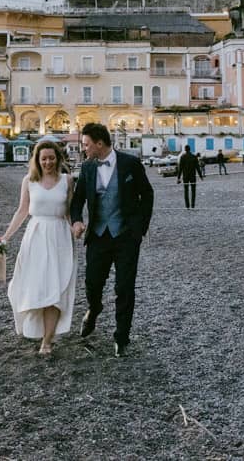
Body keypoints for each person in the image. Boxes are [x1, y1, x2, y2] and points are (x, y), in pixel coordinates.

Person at [69, 122, 154, 357]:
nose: (84, 149)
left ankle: (122, 337)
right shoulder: (87, 168)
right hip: (97, 235)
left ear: (99, 143)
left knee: (124, 287)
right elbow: (76, 202)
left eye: (86, 144)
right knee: (92, 283)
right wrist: (76, 221)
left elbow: (147, 194)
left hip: (126, 236)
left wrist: (139, 229)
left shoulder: (130, 164)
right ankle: (94, 309)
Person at [1, 139, 75, 356]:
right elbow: (22, 211)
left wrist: (76, 229)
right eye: (44, 158)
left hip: (60, 236)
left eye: (52, 158)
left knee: (56, 288)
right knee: (33, 286)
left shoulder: (67, 180)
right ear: (37, 160)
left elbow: (70, 212)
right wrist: (5, 236)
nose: (48, 162)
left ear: (58, 158)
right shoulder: (29, 181)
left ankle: (47, 340)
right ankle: (34, 328)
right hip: (35, 237)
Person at [177, 145, 204, 209]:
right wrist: (201, 176)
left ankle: (187, 206)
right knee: (193, 191)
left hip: (185, 176)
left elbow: (180, 168)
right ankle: (193, 205)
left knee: (186, 191)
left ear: (185, 149)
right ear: (190, 149)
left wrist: (178, 177)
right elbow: (197, 167)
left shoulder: (182, 157)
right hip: (193, 176)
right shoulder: (194, 157)